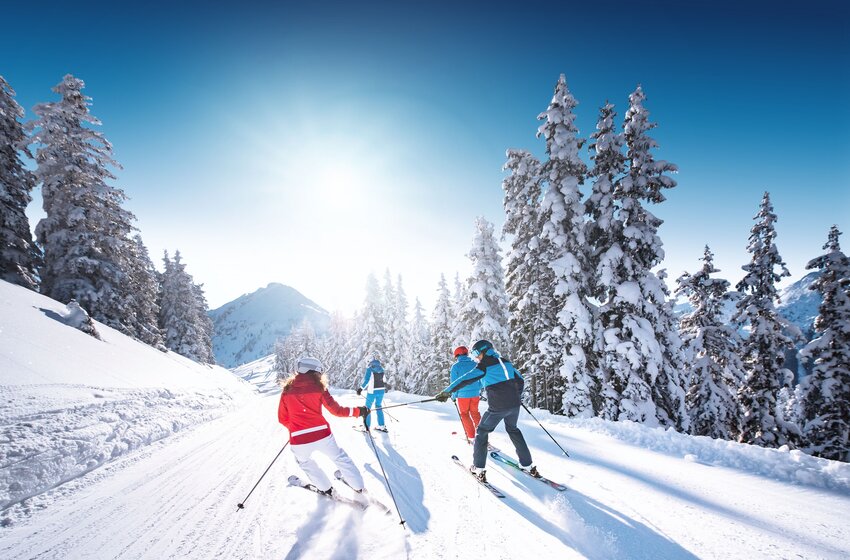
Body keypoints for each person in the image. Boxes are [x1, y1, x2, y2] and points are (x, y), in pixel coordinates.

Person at [435, 340, 538, 483]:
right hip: (514, 405)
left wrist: (446, 392)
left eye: (476, 353)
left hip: (498, 406)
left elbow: (465, 379)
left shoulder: (484, 366)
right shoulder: (505, 361)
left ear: (483, 351)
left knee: (482, 432)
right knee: (513, 429)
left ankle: (478, 469)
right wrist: (515, 394)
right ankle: (527, 465)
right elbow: (520, 379)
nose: (476, 357)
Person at [278, 356, 369, 496]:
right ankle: (359, 488)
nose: (320, 375)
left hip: (299, 440)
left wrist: (297, 428)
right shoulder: (319, 388)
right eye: (319, 372)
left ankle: (326, 489)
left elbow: (282, 418)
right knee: (340, 458)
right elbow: (337, 411)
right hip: (322, 435)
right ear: (314, 371)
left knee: (305, 462)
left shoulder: (287, 391)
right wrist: (359, 411)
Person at [450, 346, 482, 440]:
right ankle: (482, 435)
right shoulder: (475, 363)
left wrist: (453, 395)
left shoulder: (456, 367)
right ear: (467, 354)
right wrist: (477, 388)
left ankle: (471, 436)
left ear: (457, 355)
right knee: (475, 413)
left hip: (463, 396)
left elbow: (454, 383)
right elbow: (481, 379)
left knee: (464, 414)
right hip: (475, 394)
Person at [357, 358, 388, 432]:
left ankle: (366, 426)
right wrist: (385, 387)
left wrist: (360, 389)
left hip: (372, 392)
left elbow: (367, 381)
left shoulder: (370, 369)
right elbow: (384, 381)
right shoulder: (381, 369)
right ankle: (381, 425)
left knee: (367, 408)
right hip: (381, 391)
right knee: (378, 407)